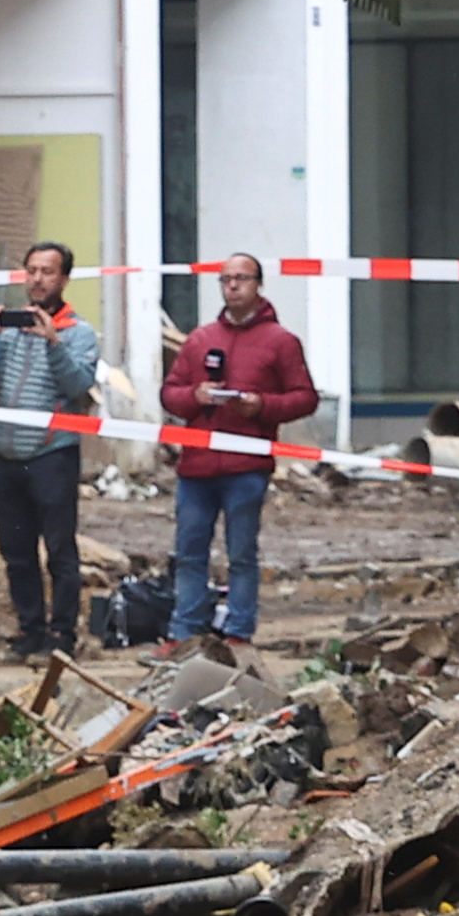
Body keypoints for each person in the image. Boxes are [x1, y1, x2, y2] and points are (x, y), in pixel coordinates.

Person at [157, 254, 321, 661]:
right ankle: (185, 632)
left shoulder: (280, 342)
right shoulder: (199, 339)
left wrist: (262, 405)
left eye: (241, 279)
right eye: (226, 279)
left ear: (258, 284)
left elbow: (305, 397)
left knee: (242, 553)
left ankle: (239, 633)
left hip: (246, 467)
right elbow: (170, 392)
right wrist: (193, 397)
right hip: (197, 466)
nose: (233, 287)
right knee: (189, 551)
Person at [0, 240, 98, 656]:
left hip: (52, 455)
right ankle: (30, 630)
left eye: (47, 272)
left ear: (64, 279)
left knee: (59, 551)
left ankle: (63, 635)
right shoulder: (8, 327)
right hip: (7, 455)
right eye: (32, 271)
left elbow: (78, 386)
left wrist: (54, 344)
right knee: (16, 552)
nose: (38, 280)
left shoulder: (79, 332)